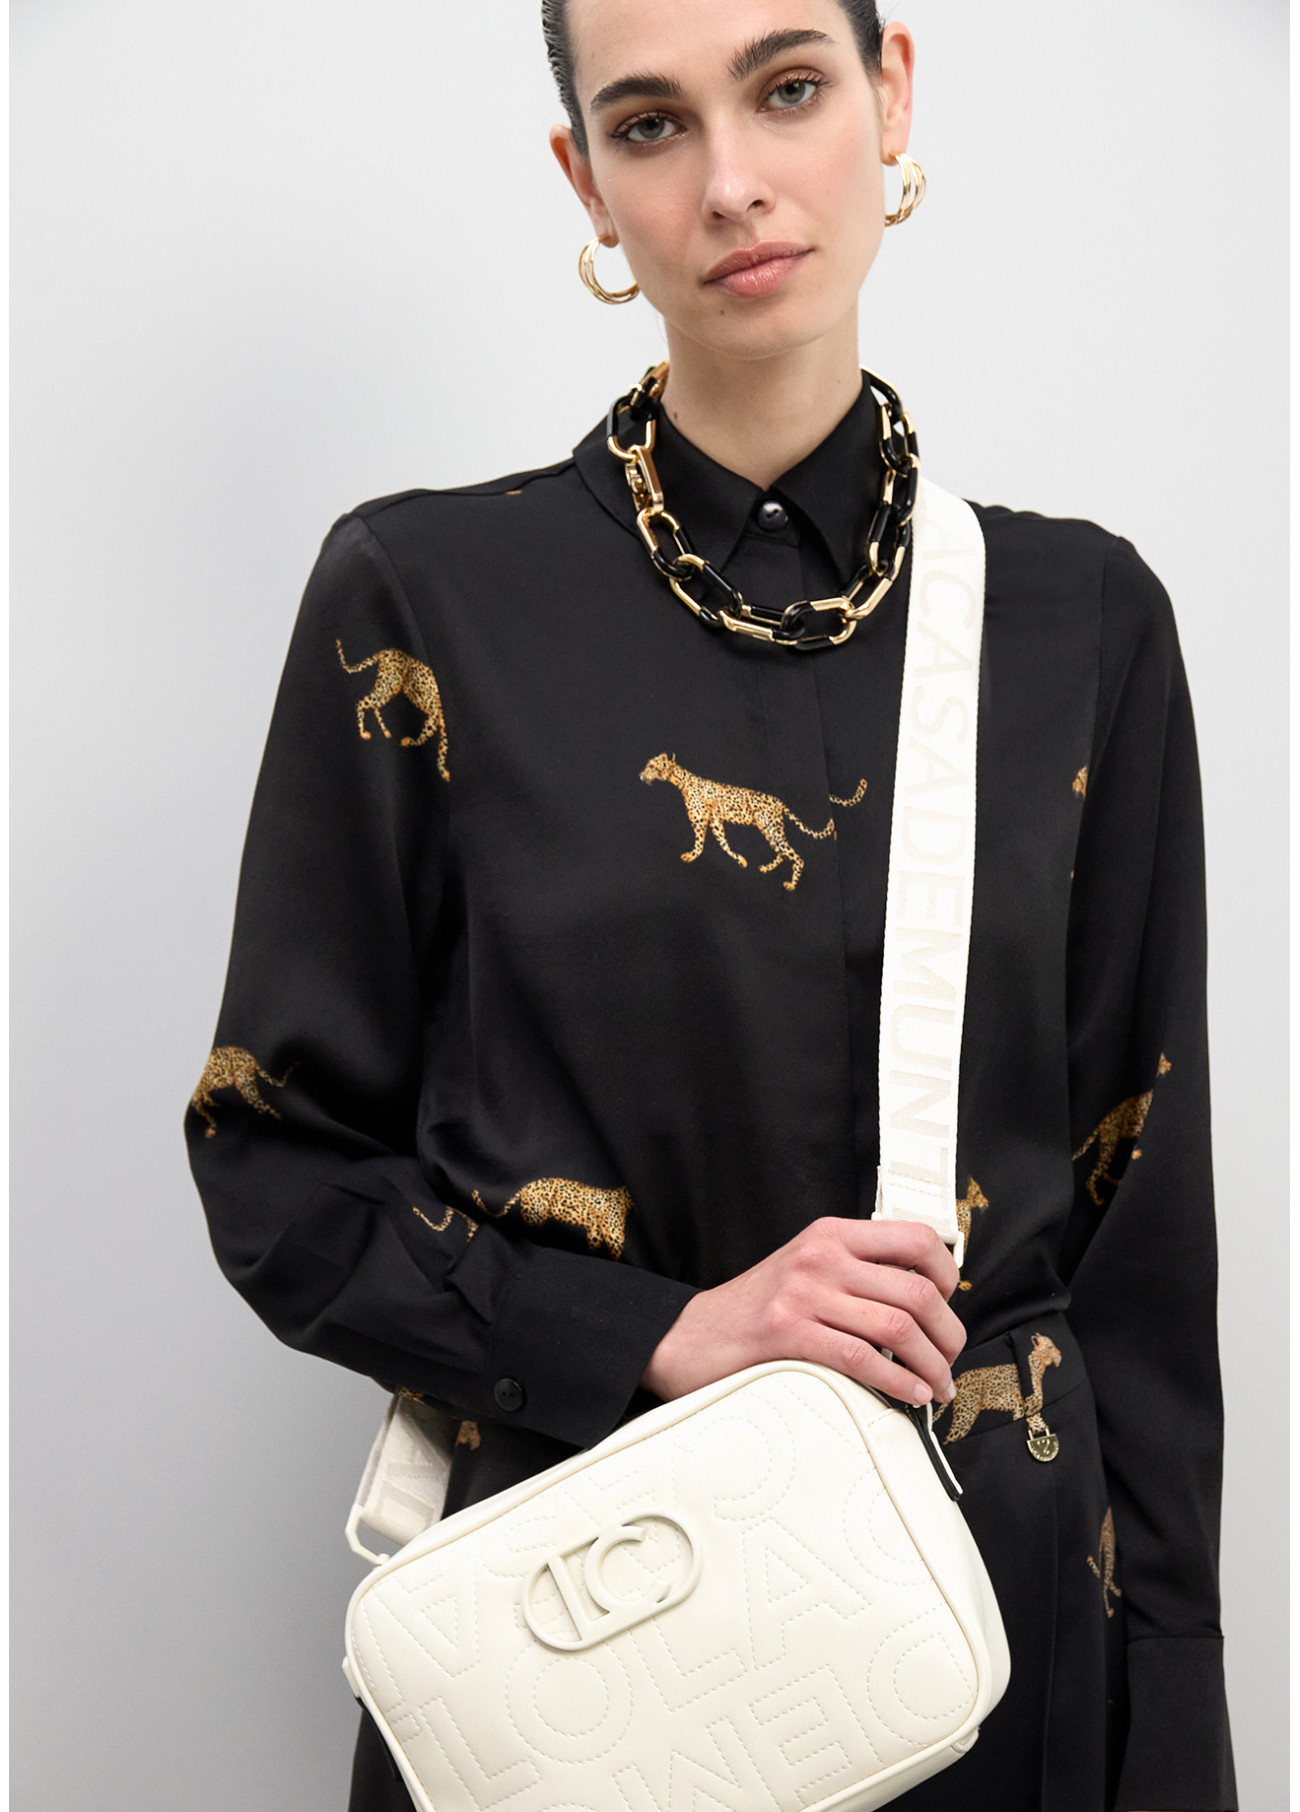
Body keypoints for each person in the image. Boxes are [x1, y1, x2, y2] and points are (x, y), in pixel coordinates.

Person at [185, 3, 1238, 1808]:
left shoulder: (1084, 626)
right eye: (653, 125)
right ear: (586, 179)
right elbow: (271, 1164)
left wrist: (1178, 1727)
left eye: (790, 87)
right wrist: (662, 1333)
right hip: (593, 1638)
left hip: (1004, 1650)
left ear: (891, 95)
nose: (733, 182)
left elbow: (1143, 1251)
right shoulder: (427, 600)